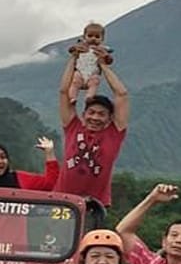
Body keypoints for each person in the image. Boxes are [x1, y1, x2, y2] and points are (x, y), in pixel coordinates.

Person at [54, 35, 129, 211]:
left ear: (110, 118)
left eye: (101, 114)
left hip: (95, 205)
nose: (95, 118)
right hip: (62, 201)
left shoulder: (114, 134)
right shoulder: (73, 127)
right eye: (92, 112)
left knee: (92, 239)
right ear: (84, 113)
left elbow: (122, 95)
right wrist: (74, 59)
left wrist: (102, 65)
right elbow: (64, 92)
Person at [66, 22, 113, 105]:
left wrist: (106, 56)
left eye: (97, 37)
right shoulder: (81, 46)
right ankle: (72, 97)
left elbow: (109, 61)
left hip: (93, 73)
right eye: (90, 36)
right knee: (75, 81)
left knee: (95, 82)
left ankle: (89, 97)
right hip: (80, 71)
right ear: (84, 37)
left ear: (102, 39)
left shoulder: (102, 49)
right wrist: (75, 49)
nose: (93, 39)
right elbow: (70, 50)